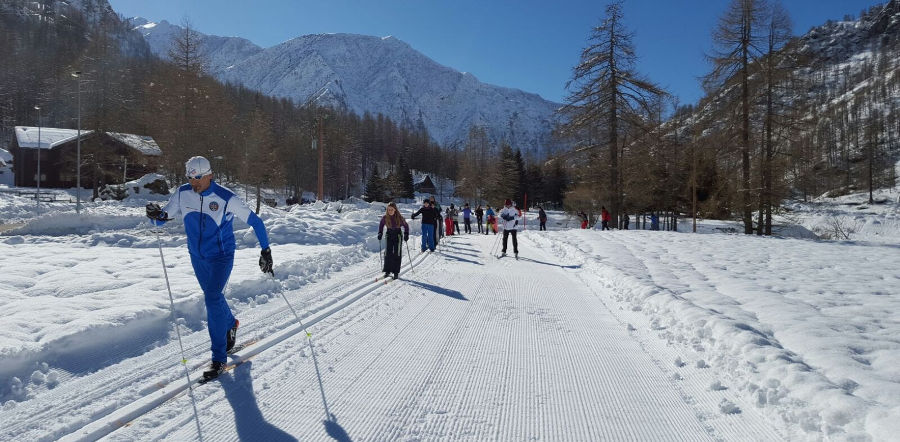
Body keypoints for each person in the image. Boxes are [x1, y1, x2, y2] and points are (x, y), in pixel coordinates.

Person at [145, 156, 272, 380]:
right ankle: (231, 323)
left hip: (222, 256)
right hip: (197, 256)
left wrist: (265, 251)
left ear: (210, 175)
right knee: (213, 297)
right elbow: (163, 218)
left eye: (199, 179)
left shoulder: (225, 198)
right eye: (191, 179)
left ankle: (219, 357)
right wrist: (155, 215)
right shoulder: (183, 193)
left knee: (212, 298)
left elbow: (256, 222)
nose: (195, 184)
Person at [377, 202, 409, 280]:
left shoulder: (400, 218)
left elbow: (406, 226)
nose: (390, 211)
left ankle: (395, 272)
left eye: (391, 209)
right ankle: (387, 271)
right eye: (388, 210)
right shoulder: (385, 218)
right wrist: (380, 233)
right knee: (388, 252)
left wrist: (406, 234)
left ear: (395, 210)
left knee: (397, 253)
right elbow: (381, 225)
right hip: (389, 235)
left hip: (398, 235)